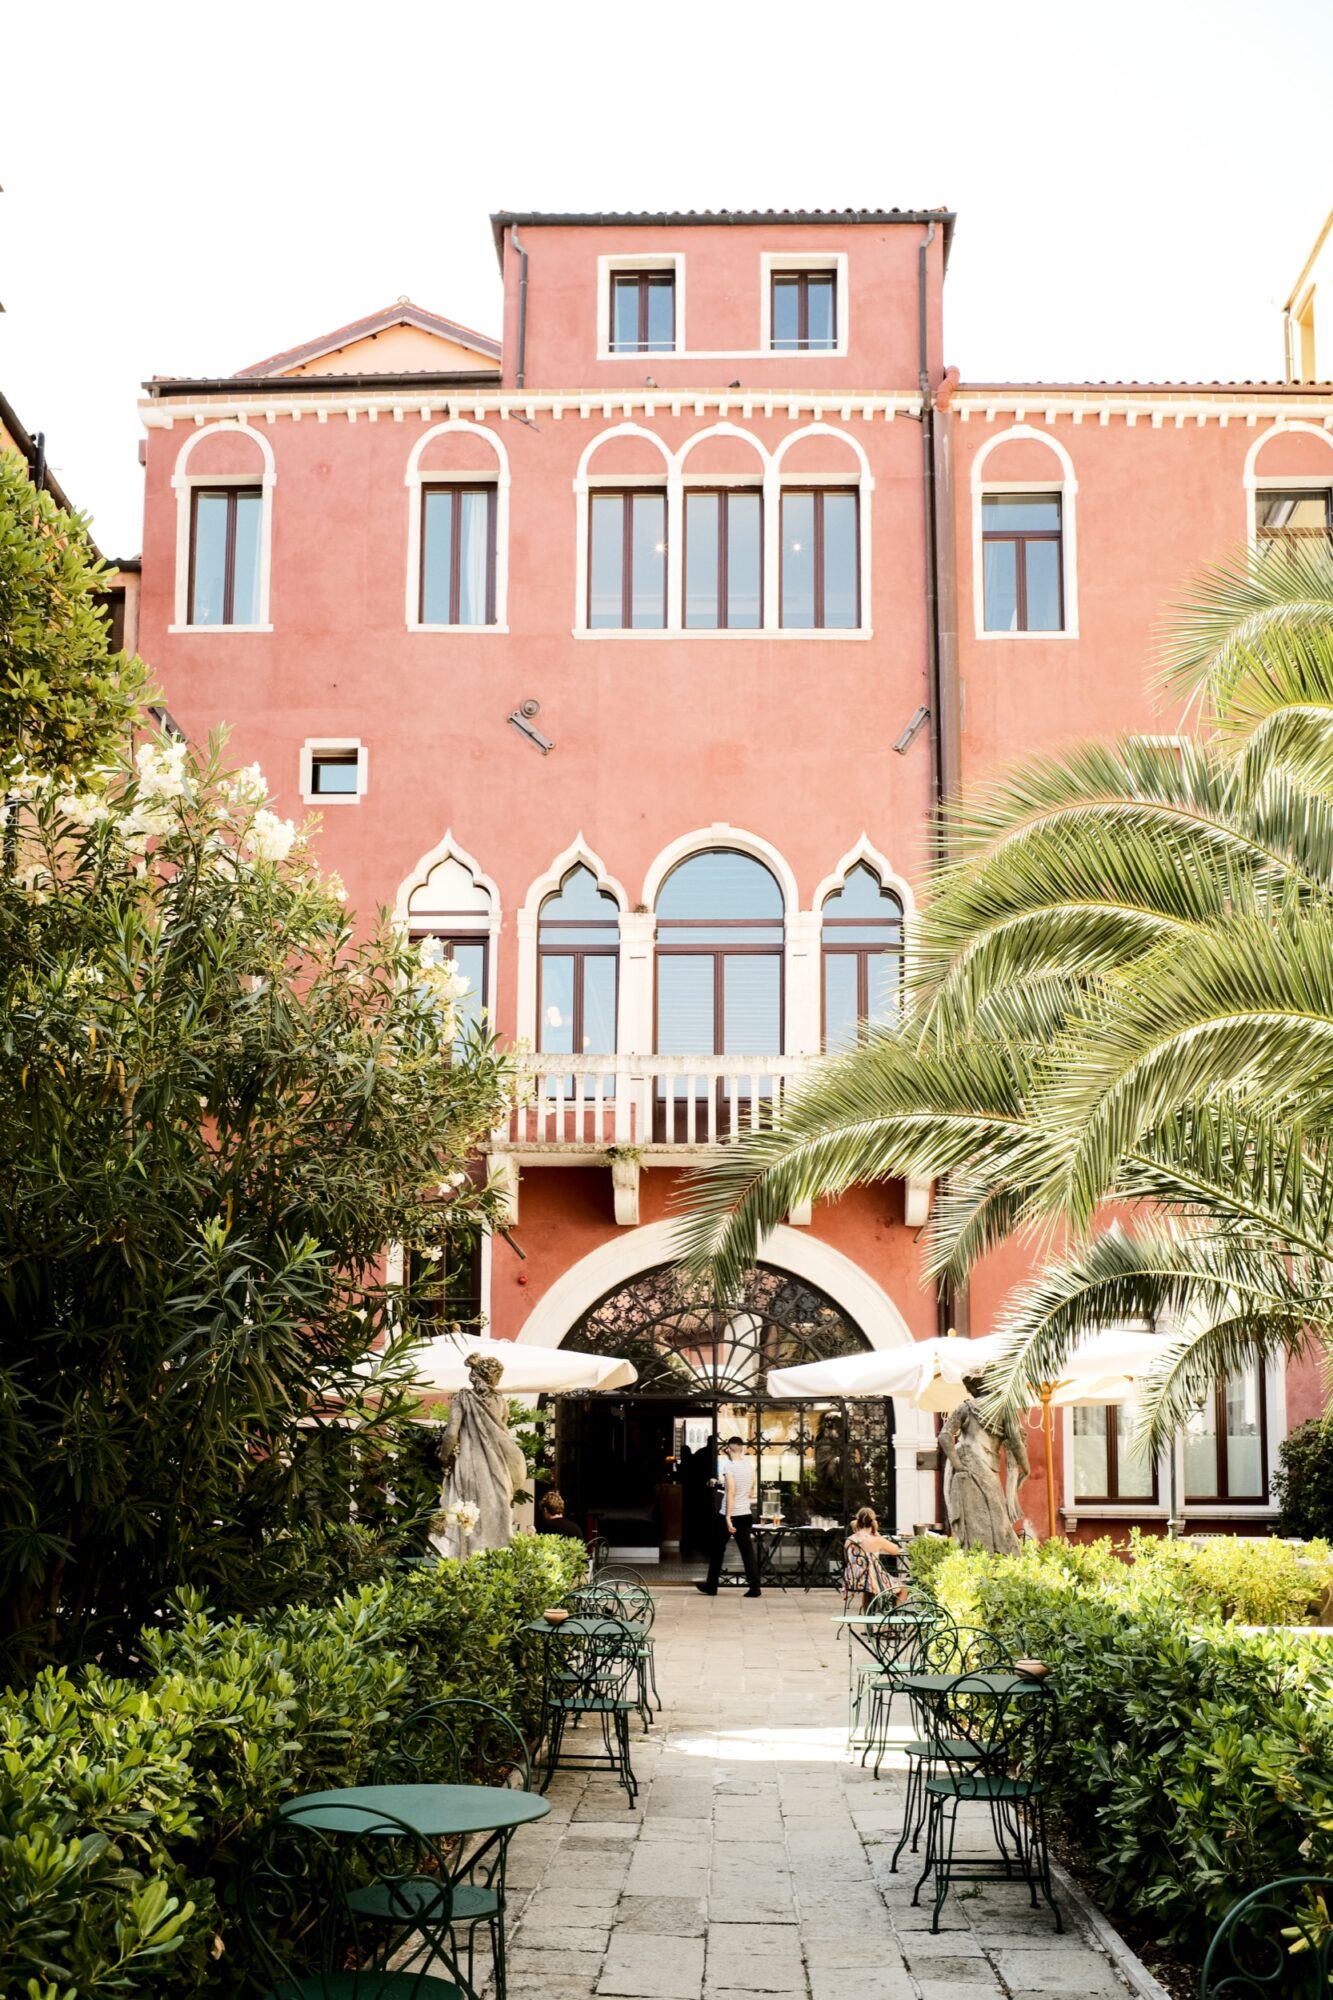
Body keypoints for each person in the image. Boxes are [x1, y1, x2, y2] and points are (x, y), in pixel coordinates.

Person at [696, 1436, 761, 1598]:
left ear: (729, 1449)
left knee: (717, 1550)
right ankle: (755, 1587)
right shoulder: (748, 1466)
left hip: (729, 1513)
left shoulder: (728, 1466)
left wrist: (728, 1518)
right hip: (745, 1512)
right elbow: (750, 1490)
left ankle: (711, 1586)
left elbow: (731, 1492)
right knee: (747, 1552)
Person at [842, 1506, 904, 1609]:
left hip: (853, 1579)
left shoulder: (849, 1539)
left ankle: (868, 1619)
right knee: (903, 1587)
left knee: (867, 1585)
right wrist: (878, 1535)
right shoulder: (876, 1539)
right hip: (871, 1581)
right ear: (873, 1522)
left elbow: (846, 1559)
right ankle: (891, 1620)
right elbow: (895, 1550)